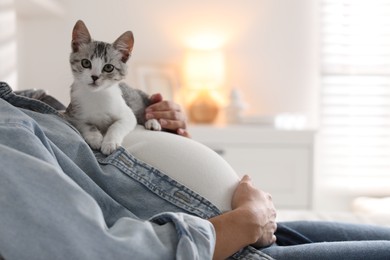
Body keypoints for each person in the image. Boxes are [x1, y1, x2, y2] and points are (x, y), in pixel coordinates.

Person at [1, 81, 390, 260]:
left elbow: (95, 167)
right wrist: (246, 222)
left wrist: (159, 134)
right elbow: (99, 252)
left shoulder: (19, 102)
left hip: (233, 231)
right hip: (228, 247)